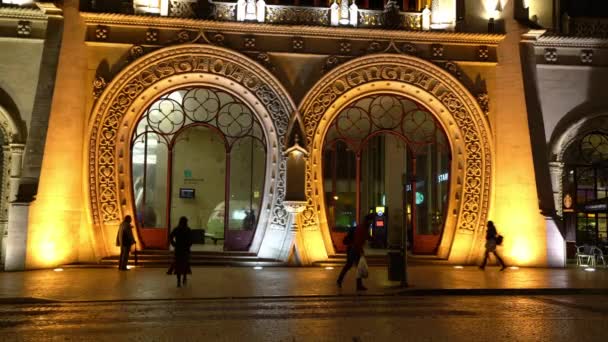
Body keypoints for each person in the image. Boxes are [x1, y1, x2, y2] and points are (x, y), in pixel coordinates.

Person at [336, 214, 372, 291]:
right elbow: (358, 241)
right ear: (368, 221)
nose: (371, 222)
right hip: (354, 249)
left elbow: (365, 238)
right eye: (370, 221)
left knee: (350, 265)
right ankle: (357, 285)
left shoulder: (362, 227)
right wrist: (360, 250)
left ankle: (341, 280)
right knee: (352, 266)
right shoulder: (362, 228)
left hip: (353, 248)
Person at [170, 216, 193, 287]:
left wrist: (174, 244)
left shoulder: (176, 229)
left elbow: (170, 237)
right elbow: (191, 239)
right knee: (185, 264)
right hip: (185, 250)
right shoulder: (188, 229)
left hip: (178, 249)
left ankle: (179, 281)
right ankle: (184, 277)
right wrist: (188, 245)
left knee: (178, 265)